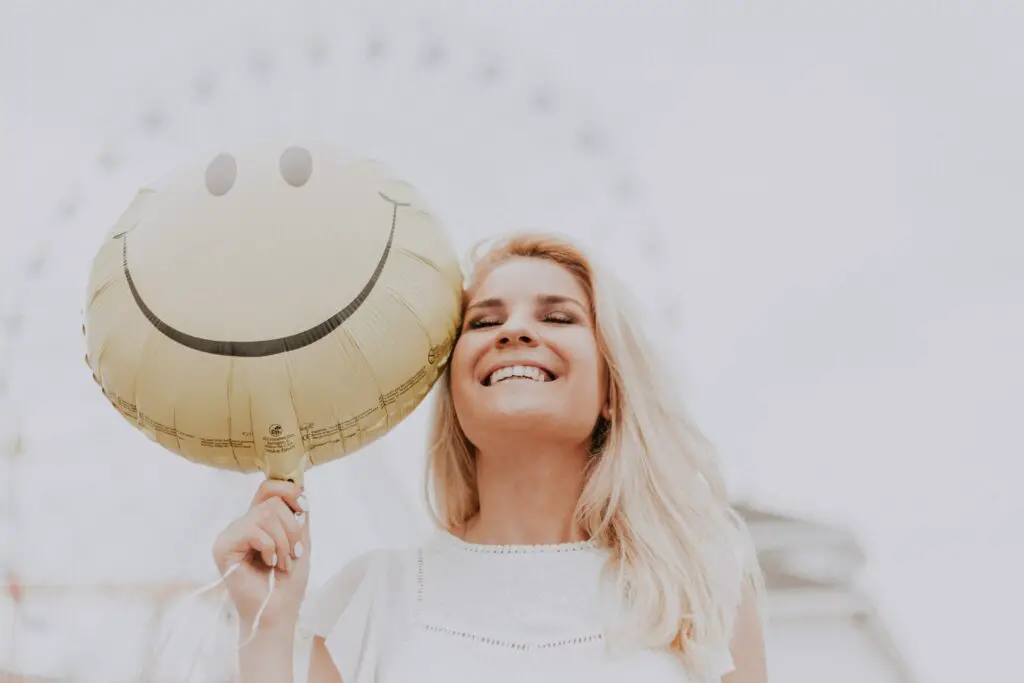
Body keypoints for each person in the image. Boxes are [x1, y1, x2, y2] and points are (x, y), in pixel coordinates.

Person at [212, 233, 769, 683]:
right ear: (454, 393)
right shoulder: (374, 601)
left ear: (612, 390)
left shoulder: (699, 584)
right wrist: (265, 626)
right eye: (484, 322)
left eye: (558, 317)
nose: (514, 330)